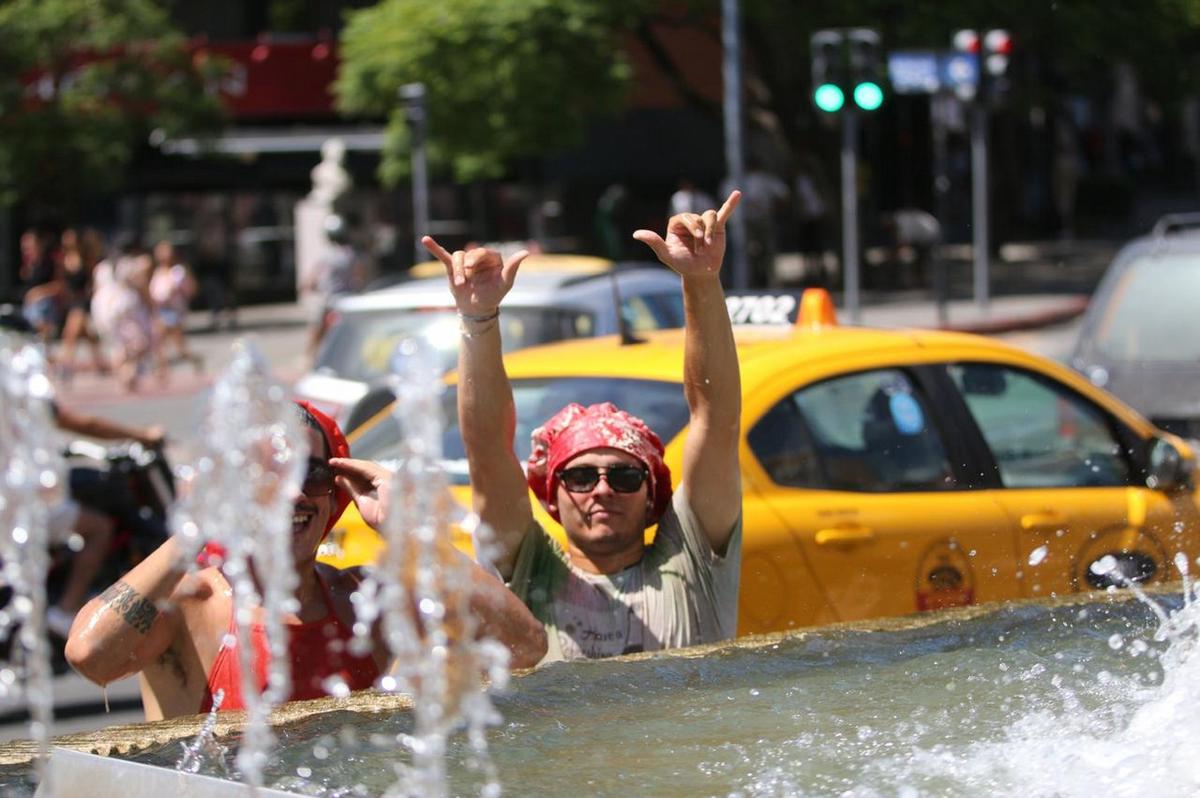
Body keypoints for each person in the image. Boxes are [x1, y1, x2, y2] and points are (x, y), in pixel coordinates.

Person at [65, 401, 546, 720]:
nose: (293, 492)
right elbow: (90, 656)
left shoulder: (365, 603)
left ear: (335, 493)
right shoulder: (193, 603)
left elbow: (524, 647)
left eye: (312, 474)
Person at [421, 191, 744, 662]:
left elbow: (715, 420)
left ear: (652, 493)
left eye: (625, 476)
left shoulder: (692, 562)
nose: (603, 490)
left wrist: (701, 281)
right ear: (552, 494)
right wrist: (478, 318)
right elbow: (488, 451)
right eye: (580, 476)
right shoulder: (527, 569)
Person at [46, 404, 166, 639]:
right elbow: (83, 423)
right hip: (20, 502)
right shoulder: (20, 384)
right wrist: (142, 435)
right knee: (100, 528)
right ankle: (65, 609)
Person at [149, 240, 203, 377]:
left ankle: (191, 360)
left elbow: (174, 290)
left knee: (176, 346)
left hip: (173, 311)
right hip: (160, 311)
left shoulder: (178, 271)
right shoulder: (158, 272)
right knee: (160, 341)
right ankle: (163, 370)